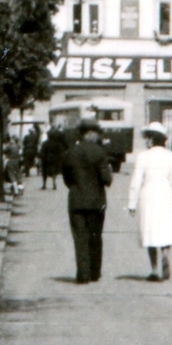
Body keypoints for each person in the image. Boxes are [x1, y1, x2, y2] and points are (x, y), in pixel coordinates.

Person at [127, 122, 172, 281]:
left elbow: (136, 181)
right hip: (166, 196)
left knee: (149, 230)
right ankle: (165, 253)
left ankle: (154, 270)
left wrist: (132, 203)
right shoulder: (171, 156)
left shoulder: (143, 156)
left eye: (147, 138)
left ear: (152, 139)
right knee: (165, 228)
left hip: (148, 196)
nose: (146, 141)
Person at [61, 120, 113, 283]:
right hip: (96, 201)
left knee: (80, 238)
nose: (98, 136)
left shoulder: (70, 152)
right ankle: (94, 272)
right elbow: (107, 179)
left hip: (76, 200)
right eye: (97, 133)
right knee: (95, 236)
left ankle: (82, 273)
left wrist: (76, 187)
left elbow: (66, 178)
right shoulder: (99, 152)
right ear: (90, 133)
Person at [40, 125, 68, 190]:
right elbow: (61, 152)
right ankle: (54, 182)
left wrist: (42, 157)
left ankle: (44, 184)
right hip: (55, 159)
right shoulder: (58, 144)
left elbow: (42, 152)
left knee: (44, 172)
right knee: (54, 171)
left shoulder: (45, 143)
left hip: (46, 159)